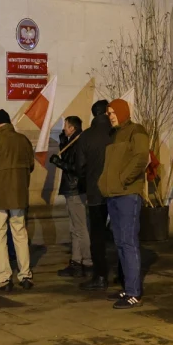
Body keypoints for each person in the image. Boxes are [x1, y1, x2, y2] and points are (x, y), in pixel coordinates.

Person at [98, 98, 149, 309]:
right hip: (114, 195)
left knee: (128, 242)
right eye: (108, 113)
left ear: (122, 111)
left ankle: (134, 292)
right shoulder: (115, 135)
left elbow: (140, 158)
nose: (109, 116)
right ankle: (128, 287)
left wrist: (123, 179)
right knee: (120, 242)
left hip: (128, 194)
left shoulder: (136, 131)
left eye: (112, 112)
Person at [0, 109, 34, 291]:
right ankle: (25, 275)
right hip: (18, 193)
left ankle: (4, 277)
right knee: (20, 232)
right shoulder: (23, 140)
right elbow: (31, 165)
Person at [77, 100, 113, 291]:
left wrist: (87, 182)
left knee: (97, 236)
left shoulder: (87, 136)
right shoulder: (115, 133)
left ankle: (100, 275)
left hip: (95, 191)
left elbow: (80, 166)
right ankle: (123, 274)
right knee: (121, 234)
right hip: (115, 190)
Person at [48, 116, 90, 277]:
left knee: (80, 227)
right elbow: (67, 156)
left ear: (72, 128)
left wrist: (59, 163)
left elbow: (76, 167)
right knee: (74, 228)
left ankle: (86, 261)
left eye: (65, 126)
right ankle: (76, 260)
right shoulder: (72, 140)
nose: (64, 129)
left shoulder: (79, 141)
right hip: (72, 188)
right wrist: (62, 140)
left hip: (75, 188)